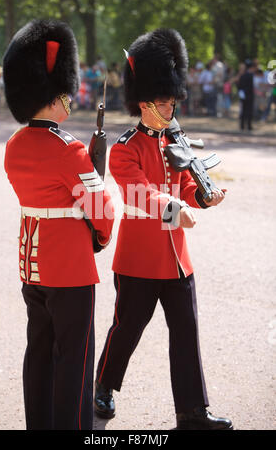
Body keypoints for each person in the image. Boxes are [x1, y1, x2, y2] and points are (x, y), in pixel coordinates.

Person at [94, 28, 233, 430]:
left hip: (177, 261)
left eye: (173, 101)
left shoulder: (176, 139)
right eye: (163, 102)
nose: (170, 108)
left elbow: (187, 184)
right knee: (127, 330)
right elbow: (138, 196)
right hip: (138, 259)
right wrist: (175, 209)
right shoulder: (125, 148)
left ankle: (192, 412)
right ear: (144, 102)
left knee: (186, 333)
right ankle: (103, 383)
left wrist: (204, 196)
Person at [3, 19, 114, 430]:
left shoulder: (14, 146)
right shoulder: (68, 150)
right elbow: (101, 209)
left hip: (32, 265)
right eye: (65, 94)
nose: (70, 100)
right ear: (53, 97)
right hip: (70, 268)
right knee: (75, 360)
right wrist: (99, 237)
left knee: (39, 353)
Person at [238, 59, 256, 131]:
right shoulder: (251, 76)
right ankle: (249, 126)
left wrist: (241, 93)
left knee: (243, 110)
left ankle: (242, 125)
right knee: (249, 111)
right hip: (249, 95)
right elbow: (252, 86)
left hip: (243, 95)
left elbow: (239, 86)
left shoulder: (242, 76)